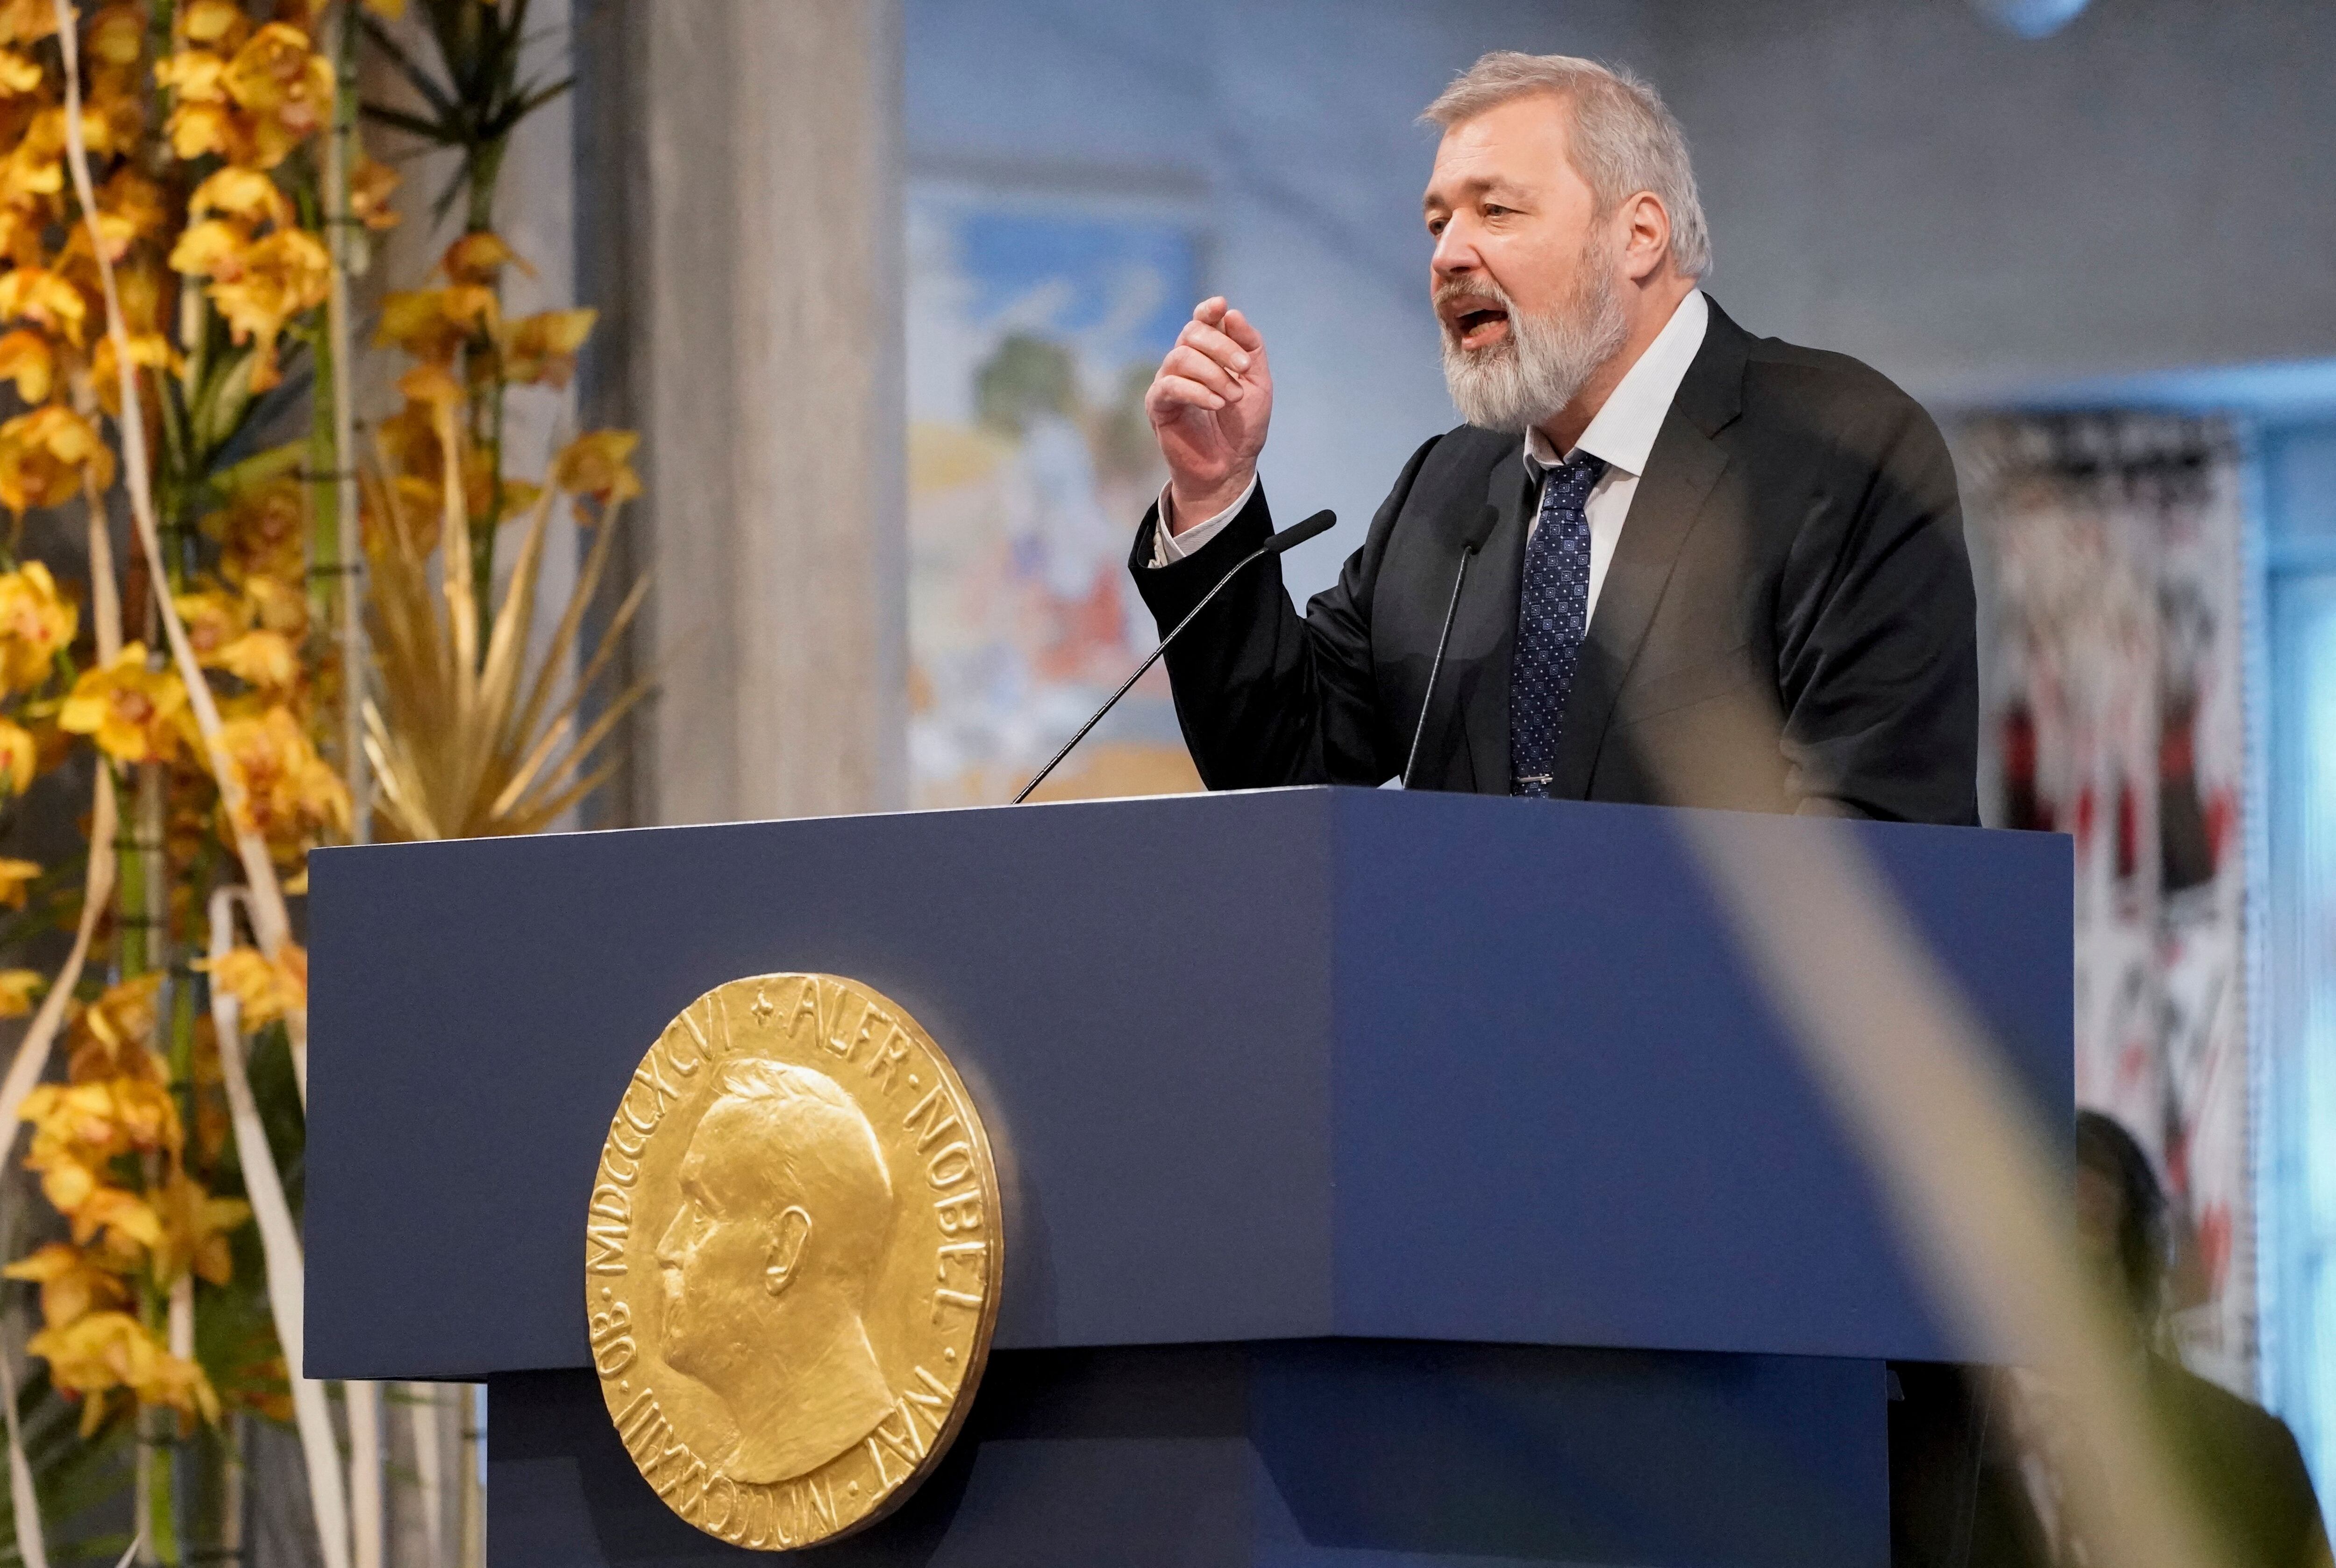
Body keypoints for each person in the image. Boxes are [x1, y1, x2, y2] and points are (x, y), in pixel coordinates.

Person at [1130, 51, 1976, 821]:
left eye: (1495, 211)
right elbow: (1286, 762)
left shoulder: (1839, 447)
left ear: (1639, 234)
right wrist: (1214, 491)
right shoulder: (1449, 487)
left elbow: (1876, 830)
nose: (1448, 254)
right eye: (1437, 223)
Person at [654, 1060, 898, 1483]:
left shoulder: (836, 1432)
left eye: (700, 1212)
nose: (666, 1250)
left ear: (784, 1249)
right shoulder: (749, 1460)